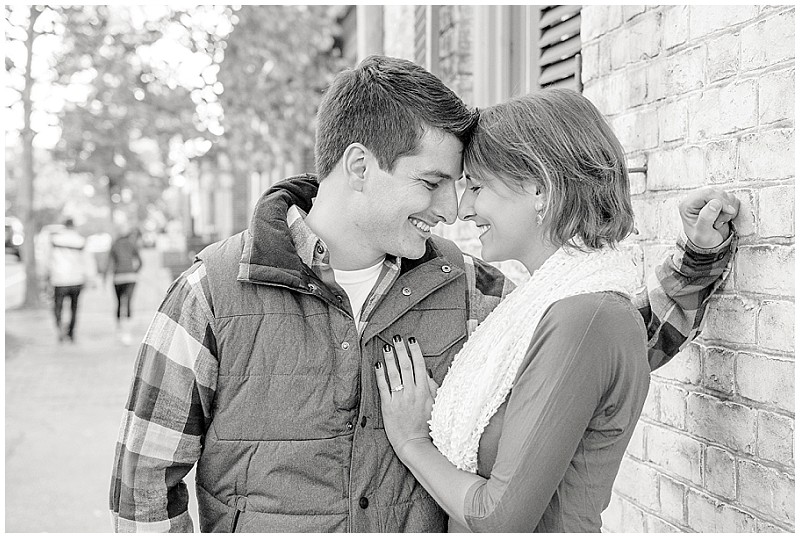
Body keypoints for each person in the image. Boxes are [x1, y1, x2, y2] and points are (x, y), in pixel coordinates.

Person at [109, 56, 737, 532]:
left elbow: (599, 353)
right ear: (360, 166)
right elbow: (144, 484)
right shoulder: (211, 295)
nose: (449, 208)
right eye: (432, 181)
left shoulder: (465, 284)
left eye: (462, 184)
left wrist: (695, 261)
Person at [375, 89, 739, 532]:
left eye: (475, 185)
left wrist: (413, 441)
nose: (461, 209)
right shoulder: (542, 304)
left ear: (540, 189)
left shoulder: (585, 315)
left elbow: (499, 518)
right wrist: (696, 259)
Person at [41, 217, 97, 343]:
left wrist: (45, 276)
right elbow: (88, 261)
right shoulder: (81, 241)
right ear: (74, 226)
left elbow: (47, 259)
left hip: (59, 279)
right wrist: (91, 278)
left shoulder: (54, 240)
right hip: (76, 279)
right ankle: (71, 332)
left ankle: (60, 327)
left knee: (58, 306)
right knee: (74, 308)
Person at [106, 223, 143, 345]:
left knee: (118, 303)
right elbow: (140, 261)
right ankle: (127, 332)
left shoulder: (115, 244)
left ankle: (119, 329)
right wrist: (135, 271)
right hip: (131, 277)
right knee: (128, 303)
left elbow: (110, 262)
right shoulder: (132, 244)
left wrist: (105, 276)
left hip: (118, 277)